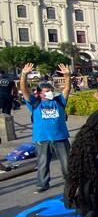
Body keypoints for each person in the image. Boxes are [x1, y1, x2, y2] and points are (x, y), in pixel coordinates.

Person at [19, 62, 71, 193]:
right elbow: (24, 89)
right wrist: (24, 75)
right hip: (42, 139)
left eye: (51, 91)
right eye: (47, 91)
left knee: (67, 164)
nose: (50, 93)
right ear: (40, 93)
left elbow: (67, 89)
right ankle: (42, 184)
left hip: (60, 137)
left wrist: (67, 76)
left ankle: (71, 181)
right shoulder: (35, 103)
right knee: (43, 163)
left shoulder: (59, 101)